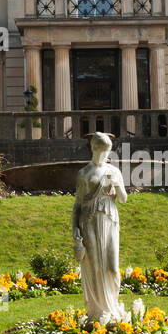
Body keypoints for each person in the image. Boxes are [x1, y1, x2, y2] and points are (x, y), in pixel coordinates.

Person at [72, 132, 127, 323]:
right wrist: (74, 230)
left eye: (108, 151)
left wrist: (118, 184)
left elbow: (123, 199)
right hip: (89, 221)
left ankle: (112, 307)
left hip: (110, 220)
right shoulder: (84, 174)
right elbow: (77, 205)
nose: (105, 155)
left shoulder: (114, 171)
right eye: (102, 150)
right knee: (94, 266)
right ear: (94, 149)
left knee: (112, 268)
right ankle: (97, 312)